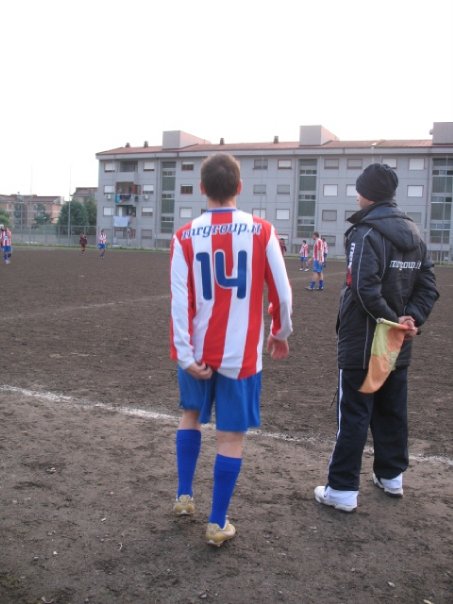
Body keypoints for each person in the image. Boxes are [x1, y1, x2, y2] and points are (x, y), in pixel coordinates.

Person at [170, 153, 292, 546]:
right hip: (241, 357)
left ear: (202, 189)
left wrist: (186, 356)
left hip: (198, 351)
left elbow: (178, 300)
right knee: (231, 437)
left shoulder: (184, 236)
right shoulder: (262, 230)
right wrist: (280, 331)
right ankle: (217, 522)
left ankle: (184, 496)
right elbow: (283, 294)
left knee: (190, 416)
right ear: (239, 188)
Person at [314, 163, 439, 512]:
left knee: (354, 412)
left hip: (364, 341)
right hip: (397, 342)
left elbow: (364, 289)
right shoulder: (415, 233)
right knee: (391, 409)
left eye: (358, 189)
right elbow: (429, 286)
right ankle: (391, 476)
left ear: (367, 193)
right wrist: (408, 321)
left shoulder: (366, 232)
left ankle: (341, 490)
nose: (356, 195)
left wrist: (393, 321)